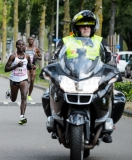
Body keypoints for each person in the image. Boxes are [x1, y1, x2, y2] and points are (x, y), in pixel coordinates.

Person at [51, 10, 113, 142]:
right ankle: (55, 123)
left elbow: (109, 58)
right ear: (76, 27)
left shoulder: (101, 41)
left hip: (93, 78)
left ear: (93, 27)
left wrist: (113, 67)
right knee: (48, 94)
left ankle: (107, 126)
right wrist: (51, 67)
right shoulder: (66, 41)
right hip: (71, 77)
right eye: (82, 25)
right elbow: (55, 58)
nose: (86, 28)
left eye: (89, 25)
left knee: (115, 95)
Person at [4, 39, 32, 125]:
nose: (21, 46)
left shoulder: (27, 56)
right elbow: (6, 69)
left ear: (24, 46)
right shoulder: (13, 56)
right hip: (14, 79)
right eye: (19, 44)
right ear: (16, 46)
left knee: (24, 96)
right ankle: (10, 92)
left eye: (23, 44)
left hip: (24, 78)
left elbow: (29, 66)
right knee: (13, 99)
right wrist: (16, 65)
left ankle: (22, 116)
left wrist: (31, 66)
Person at [25, 36, 42, 101]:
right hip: (26, 66)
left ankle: (29, 95)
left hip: (33, 66)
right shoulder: (25, 48)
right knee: (28, 80)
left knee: (32, 81)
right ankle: (25, 93)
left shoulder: (36, 49)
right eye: (29, 40)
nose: (30, 41)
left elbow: (41, 58)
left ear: (33, 40)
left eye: (32, 39)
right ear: (27, 41)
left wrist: (37, 57)